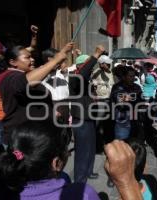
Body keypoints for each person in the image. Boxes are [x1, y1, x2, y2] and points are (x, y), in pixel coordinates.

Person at [0, 43, 73, 143]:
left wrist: (51, 111)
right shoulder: (9, 77)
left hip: (35, 134)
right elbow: (24, 83)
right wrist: (55, 60)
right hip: (24, 138)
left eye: (32, 57)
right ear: (13, 62)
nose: (32, 59)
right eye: (27, 57)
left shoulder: (22, 74)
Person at [69, 45, 105, 183]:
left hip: (89, 119)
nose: (91, 71)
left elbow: (85, 71)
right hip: (81, 120)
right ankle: (79, 179)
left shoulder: (85, 78)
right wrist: (95, 55)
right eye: (89, 68)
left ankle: (89, 171)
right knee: (82, 152)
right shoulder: (74, 78)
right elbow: (83, 71)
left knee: (90, 148)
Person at [110, 67, 143, 140]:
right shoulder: (117, 87)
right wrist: (128, 99)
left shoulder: (137, 87)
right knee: (121, 143)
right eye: (130, 76)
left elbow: (141, 101)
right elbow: (120, 103)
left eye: (133, 76)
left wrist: (130, 98)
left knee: (134, 143)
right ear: (124, 77)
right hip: (122, 120)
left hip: (135, 120)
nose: (132, 78)